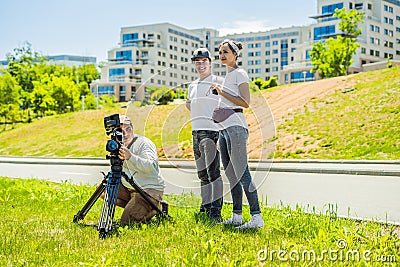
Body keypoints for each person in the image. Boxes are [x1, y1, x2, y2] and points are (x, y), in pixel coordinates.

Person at [211, 39, 264, 229]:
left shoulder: (240, 73)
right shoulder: (227, 77)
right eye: (220, 52)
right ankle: (237, 216)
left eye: (226, 51)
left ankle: (257, 218)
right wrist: (219, 135)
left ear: (235, 54)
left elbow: (245, 102)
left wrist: (221, 92)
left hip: (236, 127)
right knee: (231, 175)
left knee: (243, 173)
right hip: (224, 130)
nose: (222, 55)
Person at [99, 115, 165, 225]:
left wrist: (130, 157)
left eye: (128, 129)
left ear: (132, 128)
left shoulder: (143, 143)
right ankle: (136, 206)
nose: (125, 134)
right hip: (130, 187)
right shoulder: (119, 144)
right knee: (103, 189)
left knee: (127, 223)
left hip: (148, 190)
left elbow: (151, 166)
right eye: (120, 131)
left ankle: (155, 209)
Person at [186, 48, 224, 222]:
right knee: (202, 173)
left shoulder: (218, 82)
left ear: (210, 62)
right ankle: (205, 207)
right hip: (196, 132)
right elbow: (194, 106)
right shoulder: (192, 86)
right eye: (197, 61)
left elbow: (225, 108)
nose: (201, 65)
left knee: (213, 173)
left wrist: (221, 134)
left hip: (212, 132)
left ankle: (215, 212)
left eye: (204, 61)